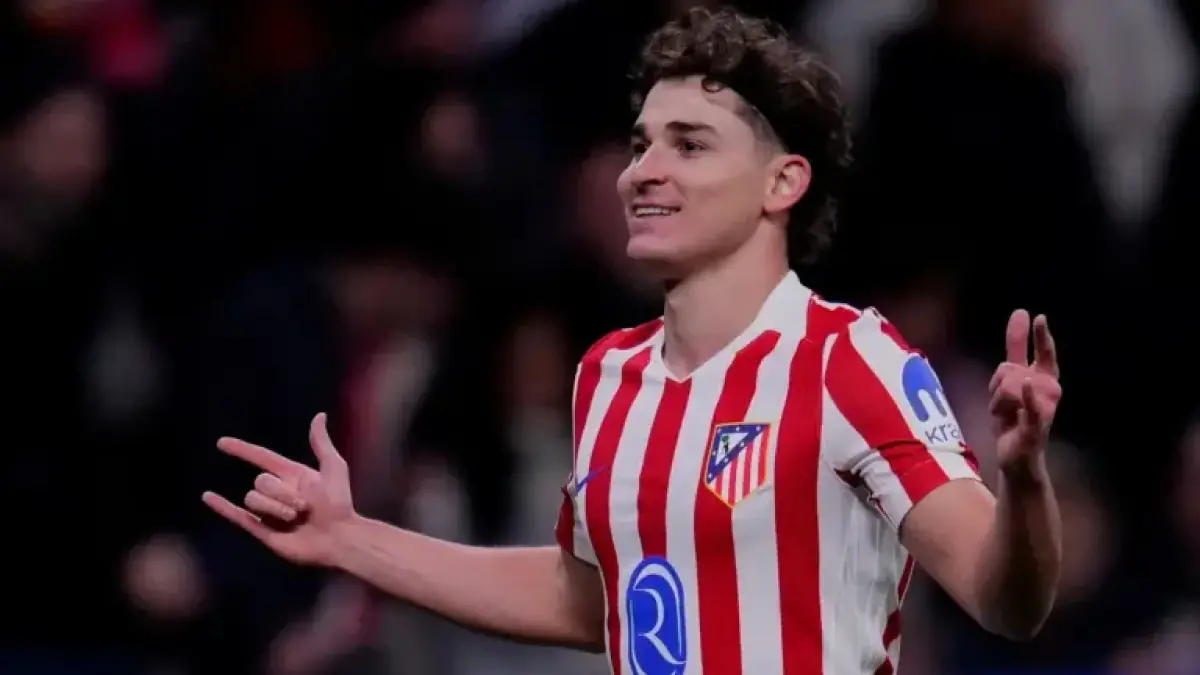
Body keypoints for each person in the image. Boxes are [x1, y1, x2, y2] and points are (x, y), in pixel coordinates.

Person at [201, 6, 1064, 674]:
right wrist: (352, 538)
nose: (643, 171)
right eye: (641, 144)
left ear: (781, 182)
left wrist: (1022, 479)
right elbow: (585, 597)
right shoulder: (608, 373)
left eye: (689, 146)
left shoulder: (852, 360)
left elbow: (1005, 598)